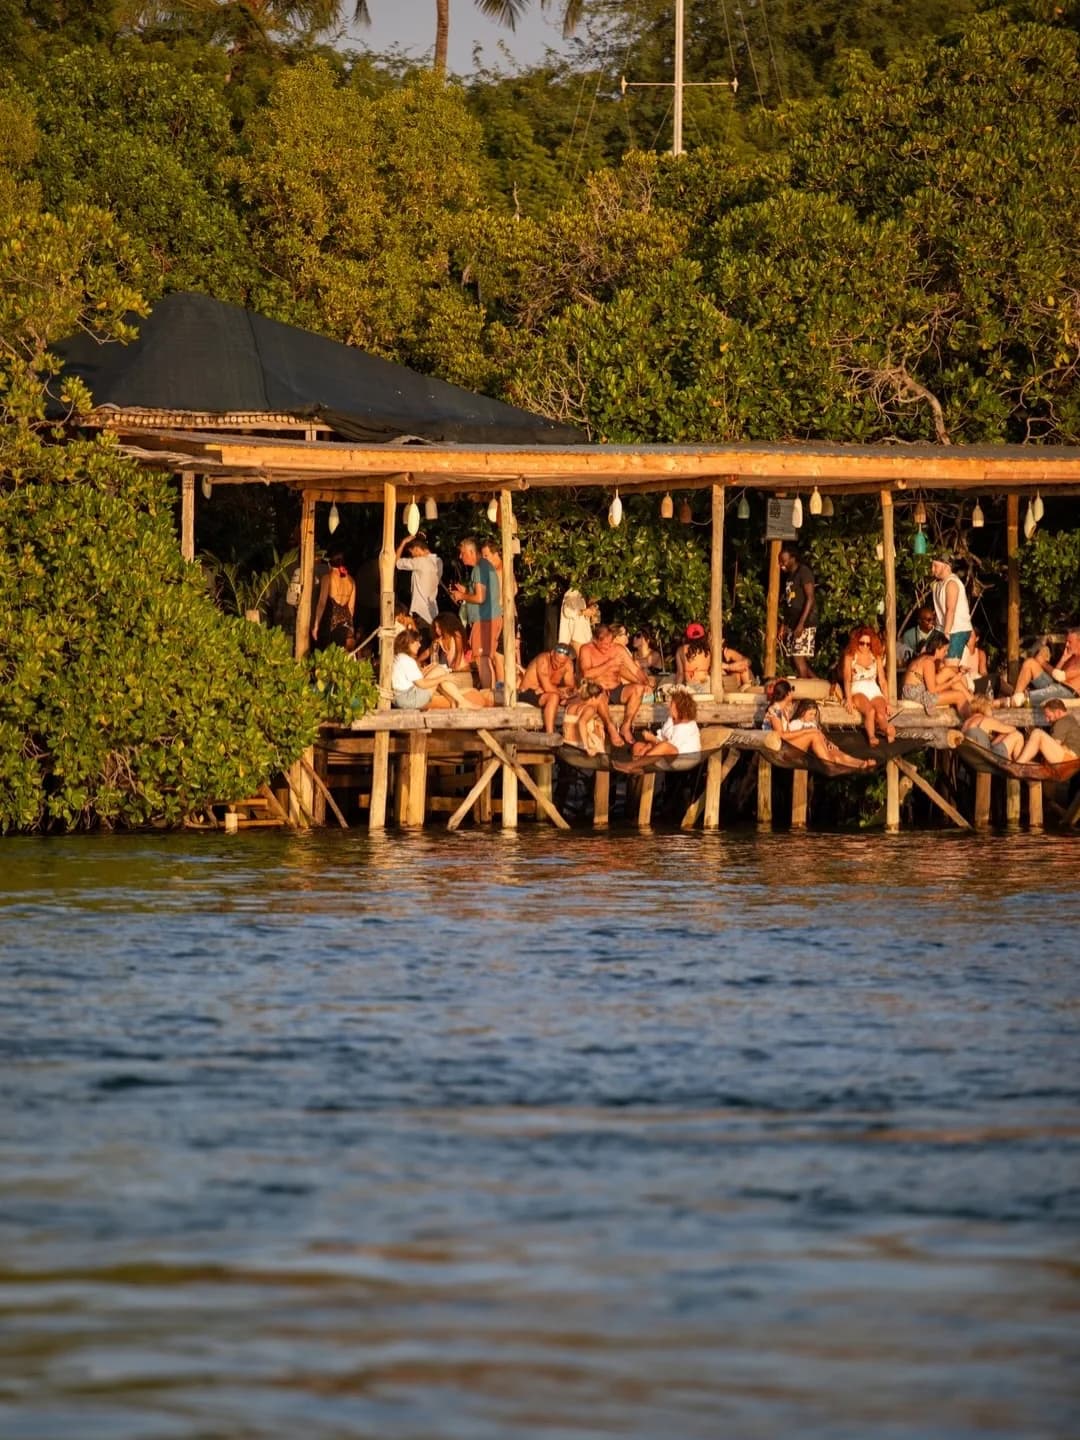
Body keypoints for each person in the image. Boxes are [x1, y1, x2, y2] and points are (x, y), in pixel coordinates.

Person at [578, 624, 649, 747]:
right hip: (598, 690)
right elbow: (586, 674)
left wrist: (645, 683)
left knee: (638, 689)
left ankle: (626, 726)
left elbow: (634, 669)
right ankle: (610, 727)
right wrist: (609, 663)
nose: (609, 646)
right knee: (598, 694)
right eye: (605, 644)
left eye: (610, 642)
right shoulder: (586, 649)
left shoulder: (618, 649)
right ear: (595, 640)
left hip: (616, 687)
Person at [449, 536, 501, 690]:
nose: (460, 556)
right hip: (490, 618)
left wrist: (461, 596)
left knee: (482, 659)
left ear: (471, 552)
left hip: (485, 619)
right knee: (485, 658)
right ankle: (490, 692)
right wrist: (466, 591)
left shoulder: (479, 568)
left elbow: (479, 597)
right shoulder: (485, 566)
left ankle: (487, 693)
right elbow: (482, 593)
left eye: (462, 553)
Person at [390, 630, 490, 711]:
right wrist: (443, 677)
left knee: (437, 670)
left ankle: (455, 702)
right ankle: (461, 701)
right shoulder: (407, 660)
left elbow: (413, 679)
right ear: (409, 643)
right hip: (410, 699)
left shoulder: (399, 658)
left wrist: (428, 670)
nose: (419, 645)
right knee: (440, 671)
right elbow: (422, 684)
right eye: (417, 642)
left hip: (402, 698)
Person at [842, 627, 896, 746]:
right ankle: (872, 737)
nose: (865, 646)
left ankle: (887, 729)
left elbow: (882, 680)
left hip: (873, 688)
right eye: (862, 643)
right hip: (857, 688)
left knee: (881, 713)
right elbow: (847, 678)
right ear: (856, 642)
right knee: (870, 711)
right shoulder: (850, 656)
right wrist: (849, 699)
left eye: (868, 644)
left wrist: (887, 702)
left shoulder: (875, 656)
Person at [784, 700, 876, 770]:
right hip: (812, 752)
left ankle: (861, 762)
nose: (812, 717)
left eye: (814, 714)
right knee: (835, 759)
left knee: (841, 754)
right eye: (810, 714)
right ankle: (857, 766)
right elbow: (794, 739)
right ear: (802, 712)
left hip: (822, 746)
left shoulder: (812, 724)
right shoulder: (795, 723)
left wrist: (829, 742)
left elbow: (820, 735)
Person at [901, 630, 972, 713]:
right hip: (915, 694)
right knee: (960, 696)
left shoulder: (925, 657)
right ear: (937, 649)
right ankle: (969, 720)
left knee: (948, 672)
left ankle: (973, 702)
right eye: (945, 650)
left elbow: (944, 671)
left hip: (915, 689)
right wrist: (952, 681)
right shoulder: (928, 662)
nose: (946, 653)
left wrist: (959, 669)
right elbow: (932, 691)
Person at [519, 643, 577, 734]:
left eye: (562, 663)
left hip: (545, 693)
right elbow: (547, 687)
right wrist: (559, 692)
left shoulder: (568, 664)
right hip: (528, 692)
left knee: (577, 697)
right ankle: (550, 734)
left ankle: (571, 735)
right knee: (554, 697)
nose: (558, 665)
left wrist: (563, 692)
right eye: (556, 661)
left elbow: (571, 688)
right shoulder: (543, 660)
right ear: (552, 653)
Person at [1010, 630, 1080, 706]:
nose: (1066, 645)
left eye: (1070, 642)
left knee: (1021, 698)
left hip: (1067, 691)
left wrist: (1042, 662)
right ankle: (1015, 697)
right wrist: (1063, 659)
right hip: (1056, 685)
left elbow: (1059, 676)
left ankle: (1016, 700)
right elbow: (1055, 676)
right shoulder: (1071, 656)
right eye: (1066, 641)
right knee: (1029, 663)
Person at [779, 547, 818, 679]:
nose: (781, 564)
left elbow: (810, 598)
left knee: (798, 657)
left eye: (783, 561)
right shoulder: (790, 577)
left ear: (792, 559)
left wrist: (801, 624)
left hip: (804, 622)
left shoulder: (804, 572)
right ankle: (817, 684)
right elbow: (788, 603)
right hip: (792, 621)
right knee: (793, 658)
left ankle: (804, 693)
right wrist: (784, 625)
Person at [632, 688, 701, 758]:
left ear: (679, 710)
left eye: (671, 705)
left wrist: (653, 739)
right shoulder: (672, 719)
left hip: (682, 759)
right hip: (665, 750)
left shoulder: (685, 728)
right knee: (637, 746)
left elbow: (669, 750)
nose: (669, 706)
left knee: (661, 746)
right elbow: (662, 735)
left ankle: (639, 764)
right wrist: (648, 745)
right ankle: (640, 760)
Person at [930, 555, 972, 665]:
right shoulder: (937, 585)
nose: (932, 569)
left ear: (947, 566)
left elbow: (950, 610)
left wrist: (946, 634)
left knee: (950, 666)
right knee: (932, 660)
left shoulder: (952, 583)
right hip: (941, 628)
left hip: (955, 629)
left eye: (935, 566)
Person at [394, 532, 443, 626]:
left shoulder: (420, 562)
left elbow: (397, 562)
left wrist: (403, 543)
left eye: (412, 553)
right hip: (433, 612)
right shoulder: (439, 562)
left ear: (416, 549)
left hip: (420, 612)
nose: (412, 556)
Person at [1015, 697, 1080, 765]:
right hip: (1068, 762)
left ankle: (1017, 765)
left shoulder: (1063, 721)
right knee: (1020, 755)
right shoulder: (1071, 720)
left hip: (1069, 761)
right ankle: (1018, 766)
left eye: (1049, 716)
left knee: (1037, 733)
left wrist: (1033, 742)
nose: (1047, 720)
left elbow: (1055, 745)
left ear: (1058, 712)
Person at [311, 551, 356, 649]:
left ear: (329, 564)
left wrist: (316, 626)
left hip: (331, 623)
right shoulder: (351, 581)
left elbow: (322, 603)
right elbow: (351, 608)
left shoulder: (327, 578)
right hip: (347, 623)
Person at [960, 696, 1023, 760]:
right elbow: (1011, 729)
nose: (992, 711)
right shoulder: (985, 720)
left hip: (972, 759)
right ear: (985, 708)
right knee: (1017, 735)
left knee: (1003, 735)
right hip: (987, 760)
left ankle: (1014, 761)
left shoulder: (966, 722)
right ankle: (1019, 763)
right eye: (991, 708)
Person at [562, 681, 607, 756]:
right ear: (593, 698)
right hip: (580, 746)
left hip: (567, 743)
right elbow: (581, 722)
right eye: (600, 699)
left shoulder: (570, 706)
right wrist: (586, 747)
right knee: (598, 726)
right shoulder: (590, 709)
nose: (600, 701)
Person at [431, 611, 473, 684]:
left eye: (439, 627)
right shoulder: (439, 640)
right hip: (453, 671)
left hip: (462, 671)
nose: (436, 630)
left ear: (446, 625)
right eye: (435, 627)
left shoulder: (456, 634)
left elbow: (459, 652)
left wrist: (454, 669)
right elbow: (428, 652)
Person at [558, 588, 597, 656]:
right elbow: (568, 612)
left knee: (584, 659)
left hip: (584, 636)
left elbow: (582, 618)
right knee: (581, 660)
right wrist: (583, 612)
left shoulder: (581, 597)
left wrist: (590, 615)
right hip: (578, 637)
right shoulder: (572, 595)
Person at [959, 626, 989, 694]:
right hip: (964, 682)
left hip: (977, 681)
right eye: (966, 636)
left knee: (997, 680)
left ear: (977, 639)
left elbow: (983, 672)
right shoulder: (960, 652)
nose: (967, 638)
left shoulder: (980, 653)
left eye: (970, 636)